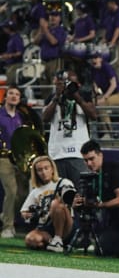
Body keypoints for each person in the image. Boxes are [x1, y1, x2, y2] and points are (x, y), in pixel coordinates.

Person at [42, 70, 97, 190]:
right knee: (59, 193)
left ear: (78, 85)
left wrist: (77, 97)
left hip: (79, 153)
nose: (68, 86)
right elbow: (45, 118)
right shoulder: (53, 98)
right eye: (66, 83)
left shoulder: (84, 96)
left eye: (72, 83)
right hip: (57, 154)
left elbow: (93, 115)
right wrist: (57, 96)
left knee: (81, 192)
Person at [20, 155, 76, 253]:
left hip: (65, 224)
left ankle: (58, 239)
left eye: (46, 168)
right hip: (45, 227)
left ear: (52, 169)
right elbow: (24, 211)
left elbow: (70, 198)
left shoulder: (64, 182)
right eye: (40, 170)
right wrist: (29, 215)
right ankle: (53, 242)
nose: (43, 172)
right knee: (31, 240)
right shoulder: (36, 190)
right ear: (36, 173)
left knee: (56, 204)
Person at [0, 84, 23, 238]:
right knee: (11, 191)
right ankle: (7, 226)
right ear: (5, 97)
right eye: (11, 93)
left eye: (17, 94)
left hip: (19, 158)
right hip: (3, 158)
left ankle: (5, 216)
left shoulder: (21, 116)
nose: (14, 96)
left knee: (21, 194)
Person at [88, 50, 119, 139]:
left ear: (100, 58)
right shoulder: (93, 70)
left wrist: (104, 98)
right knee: (91, 104)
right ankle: (92, 131)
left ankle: (108, 133)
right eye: (92, 58)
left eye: (96, 58)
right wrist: (96, 98)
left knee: (101, 105)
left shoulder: (106, 67)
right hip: (105, 95)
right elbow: (95, 87)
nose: (94, 60)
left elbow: (114, 84)